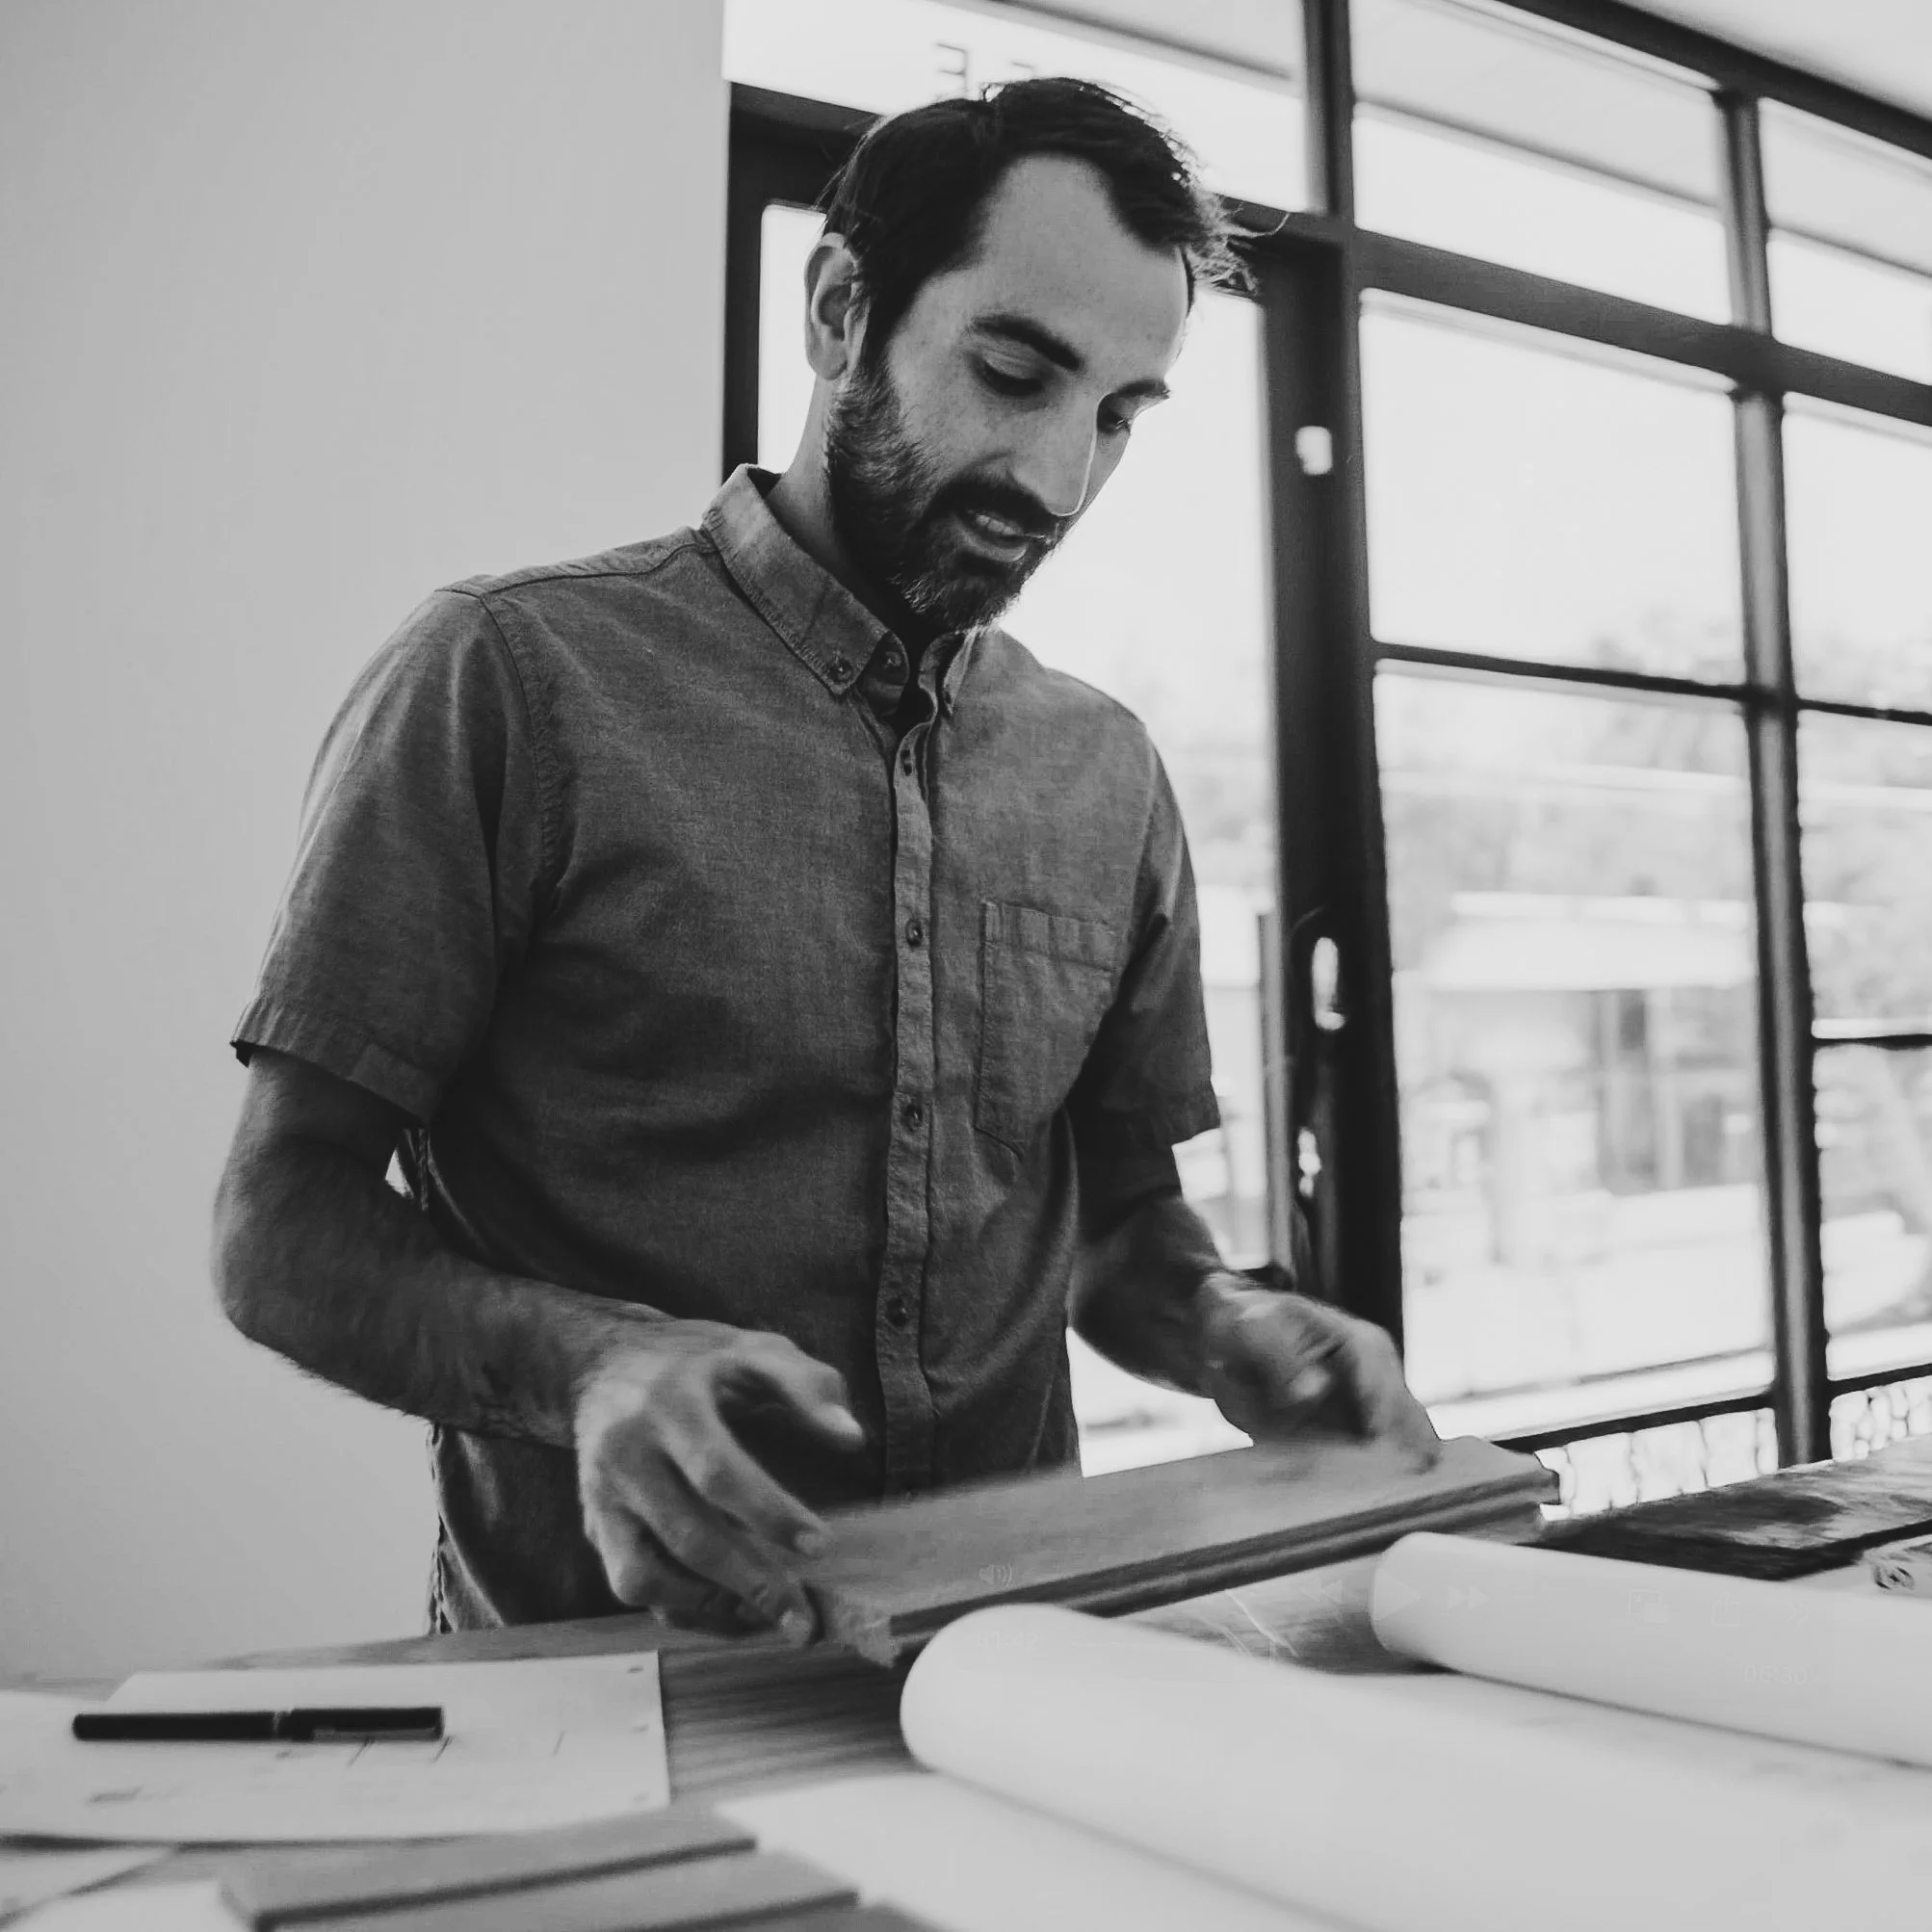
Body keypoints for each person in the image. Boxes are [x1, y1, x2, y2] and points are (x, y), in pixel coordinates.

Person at [213, 77, 1438, 1641]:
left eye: (1119, 416)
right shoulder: (508, 677)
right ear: (842, 307)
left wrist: (1223, 1320)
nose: (1059, 482)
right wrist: (595, 1360)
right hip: (606, 1687)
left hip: (1026, 1667)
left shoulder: (1105, 769)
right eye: (1014, 373)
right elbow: (279, 1226)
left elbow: (1120, 1230)